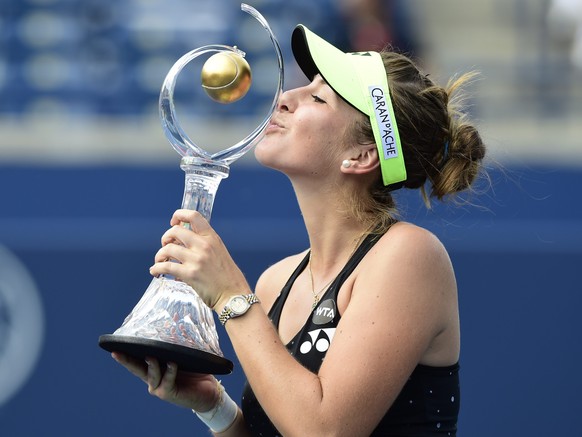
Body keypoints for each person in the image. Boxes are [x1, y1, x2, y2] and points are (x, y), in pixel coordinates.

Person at [112, 23, 485, 436]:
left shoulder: (410, 257)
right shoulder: (275, 282)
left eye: (318, 97)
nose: (286, 98)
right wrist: (215, 407)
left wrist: (230, 295)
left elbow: (325, 431)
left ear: (362, 155)